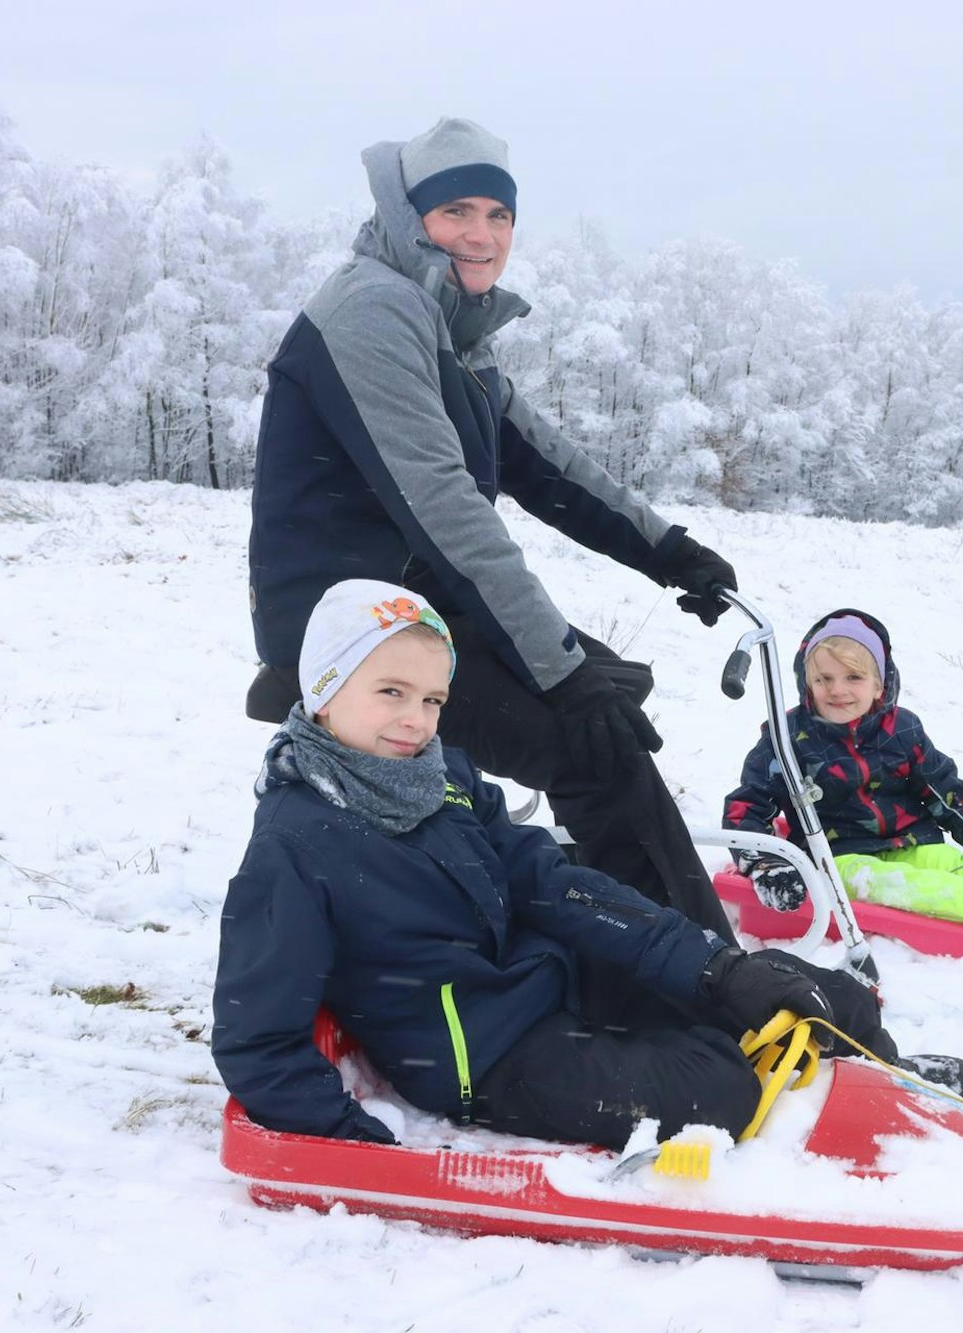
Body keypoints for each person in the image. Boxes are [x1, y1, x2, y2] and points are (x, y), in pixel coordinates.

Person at [212, 581, 963, 1150]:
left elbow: (547, 880)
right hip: (490, 1057)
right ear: (323, 690)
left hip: (550, 981)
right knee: (718, 1086)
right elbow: (255, 1036)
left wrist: (715, 968)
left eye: (434, 699)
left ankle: (886, 1081)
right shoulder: (297, 843)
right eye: (391, 691)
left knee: (808, 991)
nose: (417, 719)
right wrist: (351, 1144)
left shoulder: (441, 775)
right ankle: (815, 1120)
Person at [244, 116, 735, 939]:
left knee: (610, 694)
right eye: (457, 211)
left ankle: (598, 932)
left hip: (414, 602)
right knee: (594, 740)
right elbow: (446, 508)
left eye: (499, 215)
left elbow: (546, 463)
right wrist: (561, 675)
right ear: (410, 217)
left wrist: (669, 551)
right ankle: (697, 976)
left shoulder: (450, 324)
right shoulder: (372, 310)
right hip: (348, 625)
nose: (481, 234)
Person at [723, 609, 963, 939]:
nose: (837, 689)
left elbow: (949, 795)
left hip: (910, 842)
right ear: (807, 682)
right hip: (838, 858)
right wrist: (765, 863)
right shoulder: (785, 739)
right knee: (906, 885)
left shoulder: (901, 731)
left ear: (879, 684)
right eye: (823, 678)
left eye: (853, 677)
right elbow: (746, 807)